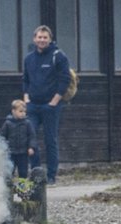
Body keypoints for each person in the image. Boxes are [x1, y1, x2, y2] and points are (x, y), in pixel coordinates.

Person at [23, 25, 70, 185]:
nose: (42, 40)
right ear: (34, 39)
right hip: (33, 105)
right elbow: (25, 80)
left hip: (50, 106)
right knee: (31, 139)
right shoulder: (29, 58)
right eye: (39, 37)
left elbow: (65, 80)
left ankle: (51, 176)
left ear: (50, 39)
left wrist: (54, 102)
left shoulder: (59, 56)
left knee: (51, 141)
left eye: (45, 37)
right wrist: (26, 98)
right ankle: (36, 173)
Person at [0, 100, 37, 180]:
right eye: (20, 111)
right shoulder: (7, 123)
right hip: (11, 152)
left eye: (24, 111)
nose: (23, 113)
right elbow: (2, 136)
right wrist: (3, 148)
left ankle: (22, 188)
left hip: (23, 152)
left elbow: (32, 136)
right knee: (9, 170)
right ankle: (8, 187)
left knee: (23, 171)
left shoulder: (27, 123)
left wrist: (31, 147)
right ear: (13, 111)